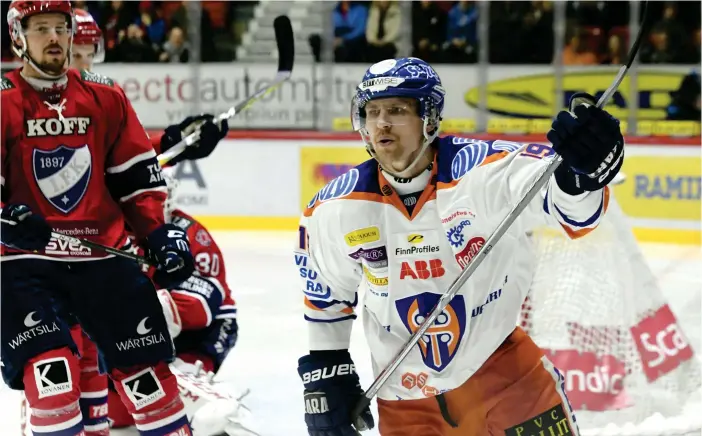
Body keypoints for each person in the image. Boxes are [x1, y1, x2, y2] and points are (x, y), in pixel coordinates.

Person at [295, 57, 624, 435]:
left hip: (506, 377)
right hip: (406, 401)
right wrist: (327, 372)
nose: (382, 122)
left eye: (397, 110)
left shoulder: (483, 171)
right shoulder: (336, 208)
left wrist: (583, 174)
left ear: (429, 118)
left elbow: (570, 208)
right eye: (372, 112)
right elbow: (326, 293)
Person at [1, 1, 195, 435]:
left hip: (105, 260)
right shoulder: (3, 101)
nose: (54, 38)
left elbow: (136, 181)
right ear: (19, 37)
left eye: (61, 28)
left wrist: (158, 233)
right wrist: (5, 218)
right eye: (42, 29)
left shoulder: (105, 96)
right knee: (52, 383)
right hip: (25, 266)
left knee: (150, 383)